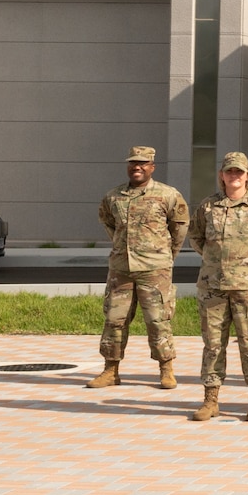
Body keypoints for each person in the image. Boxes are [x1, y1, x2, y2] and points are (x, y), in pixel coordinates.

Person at [189, 152, 248, 422]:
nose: (234, 176)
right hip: (213, 287)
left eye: (239, 172)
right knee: (212, 345)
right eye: (229, 171)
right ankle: (211, 400)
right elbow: (195, 236)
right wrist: (215, 261)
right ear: (222, 175)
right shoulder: (208, 207)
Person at [87, 146, 189, 390]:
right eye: (133, 163)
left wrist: (164, 255)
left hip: (155, 269)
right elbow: (108, 222)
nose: (137, 167)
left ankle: (166, 369)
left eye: (143, 163)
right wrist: (124, 247)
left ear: (152, 167)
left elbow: (180, 227)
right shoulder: (114, 196)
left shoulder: (168, 194)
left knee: (157, 320)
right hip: (121, 268)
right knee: (114, 319)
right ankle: (110, 371)